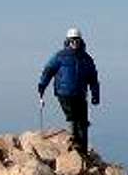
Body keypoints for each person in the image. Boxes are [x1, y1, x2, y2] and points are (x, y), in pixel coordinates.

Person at [37, 27, 100, 155]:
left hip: (80, 93)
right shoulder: (60, 57)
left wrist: (95, 95)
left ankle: (82, 150)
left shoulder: (86, 59)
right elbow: (48, 71)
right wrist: (42, 87)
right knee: (72, 117)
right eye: (72, 40)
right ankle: (73, 144)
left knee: (82, 121)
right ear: (67, 41)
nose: (74, 43)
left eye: (76, 40)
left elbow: (93, 78)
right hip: (64, 93)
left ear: (81, 41)